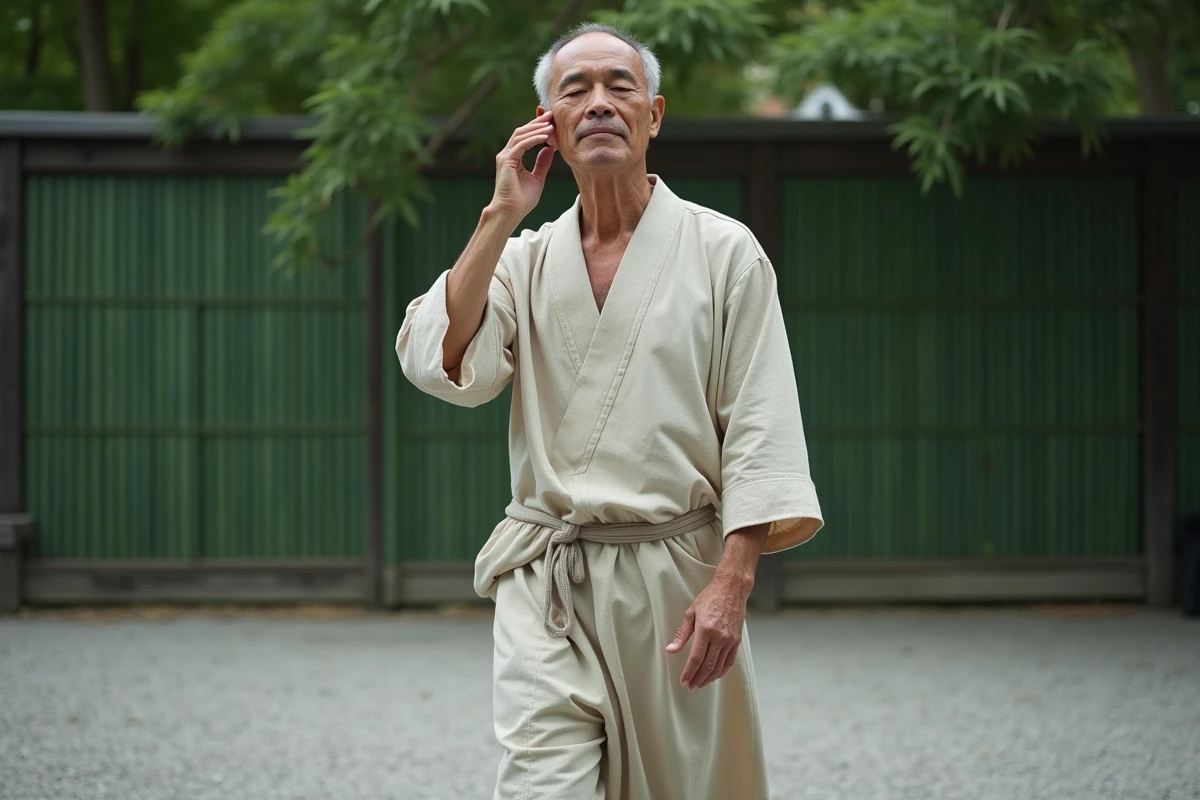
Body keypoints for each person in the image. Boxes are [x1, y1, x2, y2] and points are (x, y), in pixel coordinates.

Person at [395, 22, 824, 800]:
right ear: (546, 126)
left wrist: (733, 582)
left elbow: (760, 423)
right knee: (541, 785)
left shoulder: (724, 253)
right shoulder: (520, 258)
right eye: (575, 89)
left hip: (675, 580)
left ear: (653, 115)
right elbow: (445, 359)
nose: (599, 103)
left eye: (619, 86)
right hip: (545, 579)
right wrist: (500, 214)